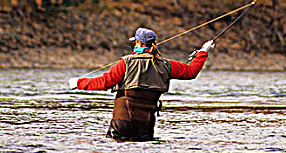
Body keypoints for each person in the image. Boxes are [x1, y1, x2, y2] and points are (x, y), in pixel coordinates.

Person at [68, 27, 215, 141]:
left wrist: (78, 83)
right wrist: (203, 51)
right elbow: (191, 72)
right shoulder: (166, 65)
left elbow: (104, 82)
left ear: (138, 43)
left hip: (122, 123)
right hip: (146, 125)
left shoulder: (126, 62)